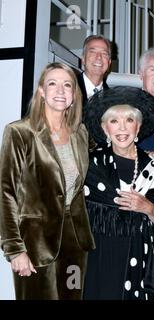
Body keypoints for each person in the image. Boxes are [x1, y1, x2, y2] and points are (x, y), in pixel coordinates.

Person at [0, 62, 95, 299]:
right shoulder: (20, 132)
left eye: (67, 85)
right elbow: (5, 191)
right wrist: (14, 249)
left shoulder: (80, 133)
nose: (60, 91)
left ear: (74, 95)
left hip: (76, 242)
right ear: (42, 91)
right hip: (35, 244)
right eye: (52, 84)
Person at [82, 86, 154, 300]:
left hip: (142, 259)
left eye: (129, 120)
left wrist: (148, 208)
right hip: (102, 259)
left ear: (138, 127)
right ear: (105, 128)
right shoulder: (90, 165)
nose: (122, 128)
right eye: (114, 121)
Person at [77, 35, 112, 107]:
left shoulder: (113, 100)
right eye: (93, 52)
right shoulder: (70, 88)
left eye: (104, 53)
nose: (99, 57)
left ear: (109, 62)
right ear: (83, 59)